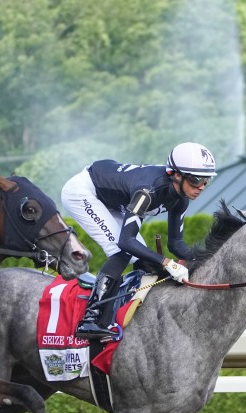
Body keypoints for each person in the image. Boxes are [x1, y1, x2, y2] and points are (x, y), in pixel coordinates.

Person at [60, 141, 216, 341]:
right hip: (83, 191)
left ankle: (131, 313)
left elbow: (176, 244)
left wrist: (206, 259)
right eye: (196, 180)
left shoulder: (181, 198)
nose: (201, 187)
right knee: (121, 251)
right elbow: (126, 241)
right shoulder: (148, 191)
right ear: (177, 175)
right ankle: (91, 319)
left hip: (113, 200)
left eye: (206, 181)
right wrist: (167, 262)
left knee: (146, 261)